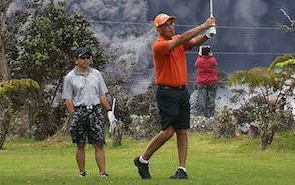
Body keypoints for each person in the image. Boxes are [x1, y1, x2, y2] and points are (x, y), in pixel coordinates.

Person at [134, 13, 215, 180]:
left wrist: (207, 35)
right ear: (159, 29)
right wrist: (203, 26)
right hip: (167, 92)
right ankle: (143, 159)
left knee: (182, 130)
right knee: (168, 131)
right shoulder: (159, 45)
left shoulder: (177, 39)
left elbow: (191, 42)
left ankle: (181, 169)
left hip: (182, 91)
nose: (171, 26)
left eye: (171, 23)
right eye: (166, 24)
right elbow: (180, 40)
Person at [62, 47, 114, 178]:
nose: (85, 61)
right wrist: (74, 115)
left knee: (99, 143)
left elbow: (102, 94)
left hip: (95, 111)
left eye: (87, 58)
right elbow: (68, 99)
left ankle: (102, 172)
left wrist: (109, 111)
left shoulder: (96, 74)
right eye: (82, 58)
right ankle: (82, 172)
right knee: (80, 144)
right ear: (76, 60)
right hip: (79, 111)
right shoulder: (70, 77)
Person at [194, 46, 218, 118]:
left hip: (201, 82)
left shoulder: (199, 60)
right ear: (209, 53)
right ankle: (211, 115)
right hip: (212, 81)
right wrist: (211, 56)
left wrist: (199, 56)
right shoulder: (212, 60)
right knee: (211, 98)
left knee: (202, 98)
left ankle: (203, 115)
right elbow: (215, 64)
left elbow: (196, 65)